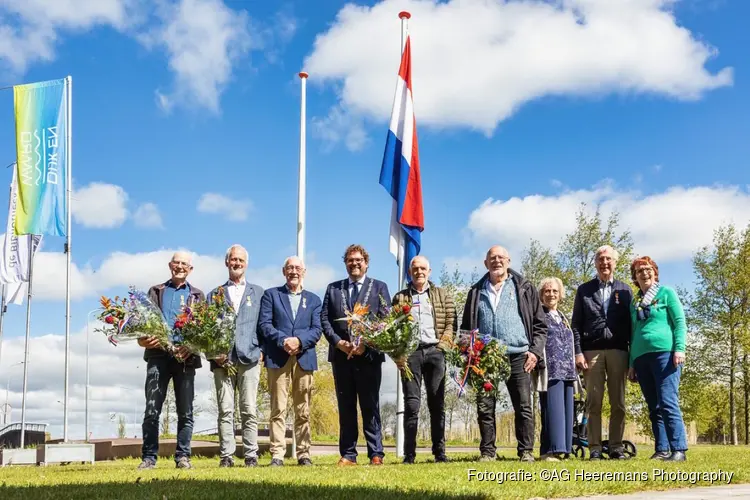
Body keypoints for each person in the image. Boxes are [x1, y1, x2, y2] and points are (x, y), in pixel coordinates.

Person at [460, 245, 547, 462]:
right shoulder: (475, 291)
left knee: (523, 406)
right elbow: (465, 329)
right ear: (485, 263)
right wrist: (467, 354)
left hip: (519, 355)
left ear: (508, 261)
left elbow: (540, 324)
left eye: (501, 257)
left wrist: (535, 351)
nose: (497, 261)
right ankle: (488, 452)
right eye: (492, 258)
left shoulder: (524, 288)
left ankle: (525, 451)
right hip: (486, 357)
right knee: (485, 405)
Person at [321, 244, 391, 466]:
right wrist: (338, 342)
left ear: (366, 262)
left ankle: (376, 453)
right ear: (345, 263)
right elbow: (325, 319)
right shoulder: (333, 289)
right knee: (346, 406)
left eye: (358, 260)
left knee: (370, 405)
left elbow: (385, 320)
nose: (355, 263)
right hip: (342, 357)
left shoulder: (379, 287)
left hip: (368, 357)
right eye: (350, 260)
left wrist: (365, 345)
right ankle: (349, 454)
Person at [138, 251, 204, 470]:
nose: (180, 266)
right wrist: (143, 340)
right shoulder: (156, 291)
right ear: (170, 265)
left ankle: (183, 456)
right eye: (176, 263)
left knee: (185, 411)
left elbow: (204, 332)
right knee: (151, 409)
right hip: (158, 357)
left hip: (185, 359)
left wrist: (191, 347)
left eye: (185, 264)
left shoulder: (197, 295)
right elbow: (142, 326)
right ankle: (149, 457)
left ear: (190, 269)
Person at [392, 255, 457, 464]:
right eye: (415, 269)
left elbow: (450, 323)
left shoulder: (442, 295)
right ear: (410, 272)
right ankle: (409, 455)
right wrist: (398, 354)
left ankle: (440, 453)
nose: (419, 272)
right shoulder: (400, 297)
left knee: (437, 404)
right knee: (412, 405)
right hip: (411, 355)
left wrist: (442, 347)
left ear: (429, 271)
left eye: (423, 268)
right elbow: (393, 329)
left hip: (435, 352)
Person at [259, 256, 323, 467]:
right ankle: (277, 454)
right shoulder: (271, 295)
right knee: (278, 409)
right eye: (290, 268)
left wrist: (300, 341)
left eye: (298, 268)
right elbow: (265, 325)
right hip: (278, 358)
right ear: (284, 271)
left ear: (304, 272)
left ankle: (304, 454)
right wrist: (283, 340)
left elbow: (317, 330)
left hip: (304, 359)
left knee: (302, 409)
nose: (294, 271)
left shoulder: (314, 300)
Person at [571, 245, 633, 460]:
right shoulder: (584, 290)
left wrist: (632, 357)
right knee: (593, 402)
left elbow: (632, 325)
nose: (604, 263)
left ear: (615, 263)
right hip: (592, 351)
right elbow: (576, 325)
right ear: (595, 263)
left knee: (619, 403)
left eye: (608, 259)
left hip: (618, 351)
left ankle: (616, 447)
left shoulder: (625, 290)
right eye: (600, 259)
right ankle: (595, 448)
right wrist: (578, 352)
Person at [208, 244, 264, 468]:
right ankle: (227, 456)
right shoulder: (215, 294)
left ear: (246, 263)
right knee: (226, 410)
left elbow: (265, 325)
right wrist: (214, 354)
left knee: (249, 409)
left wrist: (262, 351)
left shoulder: (259, 293)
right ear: (226, 262)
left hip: (249, 358)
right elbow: (207, 329)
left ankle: (251, 455)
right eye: (233, 259)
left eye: (240, 260)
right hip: (223, 360)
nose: (237, 263)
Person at [628, 256, 688, 462]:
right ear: (634, 277)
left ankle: (678, 449)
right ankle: (662, 449)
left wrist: (679, 349)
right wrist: (631, 363)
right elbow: (633, 332)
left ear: (655, 272)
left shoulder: (666, 293)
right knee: (653, 405)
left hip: (665, 354)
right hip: (641, 358)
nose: (644, 273)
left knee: (667, 401)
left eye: (647, 269)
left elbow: (679, 322)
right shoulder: (634, 302)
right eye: (639, 271)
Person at [533, 277, 579, 461]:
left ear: (560, 295)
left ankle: (565, 449)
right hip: (550, 368)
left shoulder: (563, 317)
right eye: (547, 291)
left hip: (567, 370)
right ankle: (550, 450)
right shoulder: (538, 315)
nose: (551, 294)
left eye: (554, 291)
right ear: (541, 294)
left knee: (567, 410)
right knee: (552, 409)